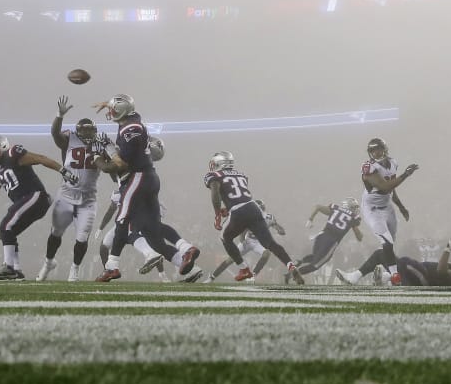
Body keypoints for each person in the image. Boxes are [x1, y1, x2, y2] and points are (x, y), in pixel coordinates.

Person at [92, 94, 199, 282]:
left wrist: (100, 155)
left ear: (121, 112)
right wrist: (111, 105)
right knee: (153, 231)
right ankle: (185, 253)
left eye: (112, 110)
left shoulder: (129, 130)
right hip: (148, 179)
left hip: (137, 178)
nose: (109, 112)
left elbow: (119, 165)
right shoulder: (132, 122)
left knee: (122, 222)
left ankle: (112, 267)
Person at [0, 135, 79, 280]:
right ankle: (17, 270)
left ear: (2, 147)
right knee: (8, 232)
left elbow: (40, 158)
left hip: (36, 196)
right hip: (26, 200)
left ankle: (9, 267)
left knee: (6, 225)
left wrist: (63, 170)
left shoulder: (13, 154)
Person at [204, 151, 304, 284]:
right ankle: (291, 266)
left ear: (218, 163)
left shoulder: (213, 175)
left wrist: (217, 213)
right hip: (253, 207)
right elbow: (240, 196)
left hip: (238, 211)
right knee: (271, 244)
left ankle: (244, 269)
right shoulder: (241, 175)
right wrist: (227, 208)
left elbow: (215, 192)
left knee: (225, 237)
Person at [36, 95, 103, 282]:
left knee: (82, 238)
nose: (89, 134)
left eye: (92, 130)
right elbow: (55, 134)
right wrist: (59, 116)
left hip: (88, 199)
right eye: (86, 130)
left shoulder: (101, 144)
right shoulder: (69, 139)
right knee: (56, 233)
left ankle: (75, 269)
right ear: (78, 131)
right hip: (66, 196)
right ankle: (48, 262)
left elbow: (111, 165)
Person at [359, 137, 419, 285]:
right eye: (373, 150)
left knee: (389, 245)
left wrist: (401, 207)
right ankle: (395, 276)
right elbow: (384, 187)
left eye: (378, 149)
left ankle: (383, 276)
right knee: (387, 241)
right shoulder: (368, 167)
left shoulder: (393, 163)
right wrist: (406, 174)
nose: (376, 153)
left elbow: (391, 189)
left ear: (384, 149)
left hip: (387, 207)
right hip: (372, 208)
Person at [341, 240, 451, 287]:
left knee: (387, 254)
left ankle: (389, 280)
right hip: (420, 276)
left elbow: (441, 271)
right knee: (384, 253)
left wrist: (447, 249)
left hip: (422, 276)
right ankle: (388, 279)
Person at [291, 197, 363, 279]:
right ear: (348, 207)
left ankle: (300, 261)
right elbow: (359, 238)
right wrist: (357, 230)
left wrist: (310, 219)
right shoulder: (353, 217)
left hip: (321, 236)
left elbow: (317, 206)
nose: (356, 210)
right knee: (316, 265)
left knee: (316, 257)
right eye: (354, 207)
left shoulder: (335, 208)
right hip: (331, 241)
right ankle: (293, 274)